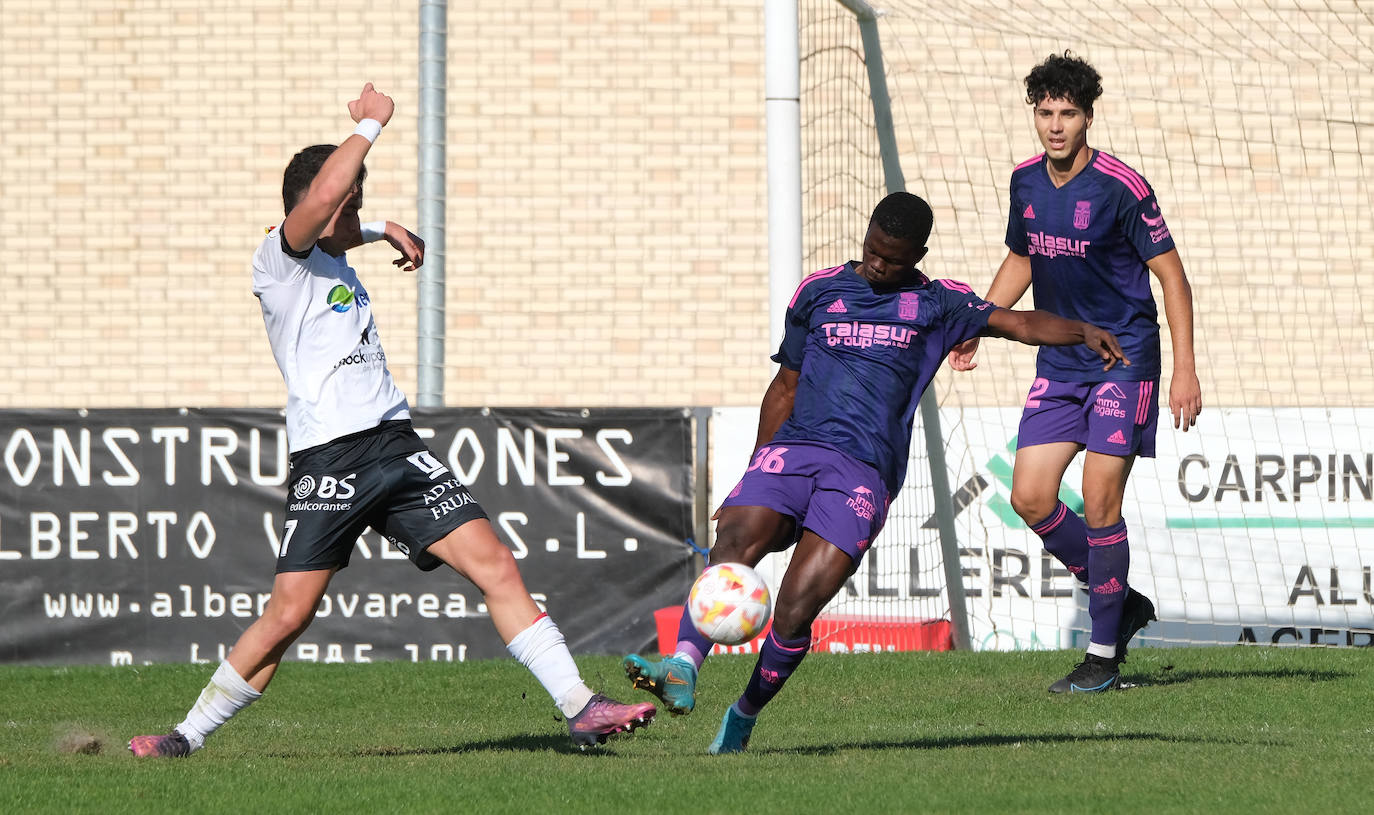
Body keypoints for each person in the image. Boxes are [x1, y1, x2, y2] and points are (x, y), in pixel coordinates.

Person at [129, 83, 655, 757]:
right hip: (331, 459)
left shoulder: (335, 251)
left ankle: (581, 706)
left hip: (395, 446)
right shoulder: (277, 259)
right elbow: (320, 206)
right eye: (354, 200)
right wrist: (373, 125)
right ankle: (185, 736)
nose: (357, 211)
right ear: (320, 198)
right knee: (289, 615)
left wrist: (380, 229)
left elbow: (335, 219)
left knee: (495, 563)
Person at [623, 191, 1129, 753]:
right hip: (794, 450)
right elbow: (785, 386)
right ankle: (683, 666)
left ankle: (743, 716)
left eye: (892, 257)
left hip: (863, 472)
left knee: (794, 608)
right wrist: (753, 470)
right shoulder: (818, 292)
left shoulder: (940, 304)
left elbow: (1019, 322)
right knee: (735, 538)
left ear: (918, 254)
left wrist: (1080, 330)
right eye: (872, 249)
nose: (878, 264)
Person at [946, 51, 1203, 693]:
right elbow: (1021, 259)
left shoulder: (1123, 186)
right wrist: (979, 322)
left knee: (1098, 500)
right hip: (1059, 360)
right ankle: (1124, 602)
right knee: (1030, 496)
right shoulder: (1025, 182)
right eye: (1045, 112)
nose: (1055, 125)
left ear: (1088, 117)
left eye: (1067, 113)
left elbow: (1171, 277)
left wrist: (1186, 371)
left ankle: (1103, 655)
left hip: (1125, 358)